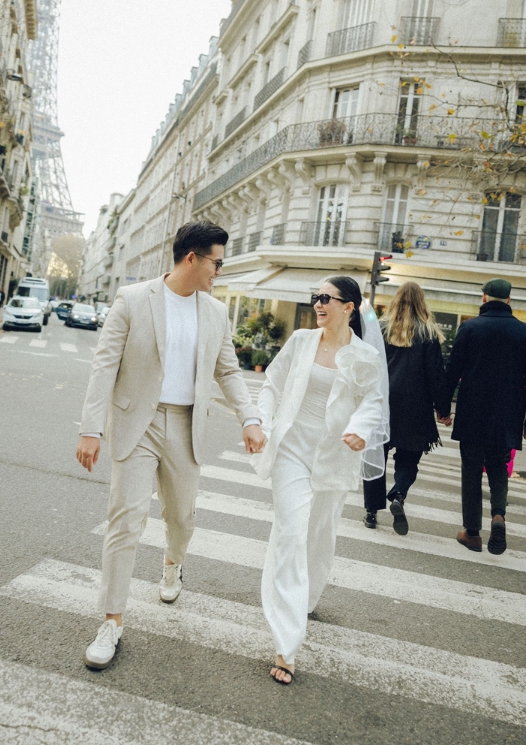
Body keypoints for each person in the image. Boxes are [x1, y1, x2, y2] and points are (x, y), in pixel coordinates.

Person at [76, 221, 265, 670]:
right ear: (192, 259)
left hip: (185, 425)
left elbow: (228, 372)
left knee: (180, 516)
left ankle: (173, 563)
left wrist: (250, 417)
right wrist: (90, 428)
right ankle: (112, 621)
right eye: (217, 262)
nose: (220, 270)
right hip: (136, 423)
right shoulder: (134, 299)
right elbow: (104, 365)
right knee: (125, 520)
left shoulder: (216, 313)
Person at [252, 277, 388, 685]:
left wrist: (361, 428)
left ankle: (306, 597)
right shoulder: (300, 341)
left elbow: (374, 400)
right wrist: (260, 421)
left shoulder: (363, 355)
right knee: (291, 532)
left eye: (326, 298)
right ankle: (286, 643)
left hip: (334, 453)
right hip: (292, 448)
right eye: (316, 297)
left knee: (320, 533)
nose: (318, 304)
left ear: (350, 307)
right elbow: (273, 384)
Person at [441, 278, 526, 556]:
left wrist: (442, 408)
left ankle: (472, 533)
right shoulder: (523, 332)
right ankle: (498, 516)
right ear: (510, 301)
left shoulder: (470, 328)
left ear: (484, 298)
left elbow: (452, 371)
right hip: (508, 412)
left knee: (472, 470)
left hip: (473, 412)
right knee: (500, 467)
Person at [363, 281, 451, 534]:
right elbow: (436, 374)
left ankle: (371, 512)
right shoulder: (428, 334)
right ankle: (398, 495)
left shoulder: (380, 329)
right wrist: (442, 409)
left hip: (382, 403)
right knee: (408, 460)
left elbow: (368, 365)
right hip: (416, 406)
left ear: (395, 300)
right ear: (422, 303)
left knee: (376, 456)